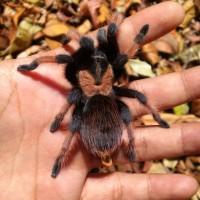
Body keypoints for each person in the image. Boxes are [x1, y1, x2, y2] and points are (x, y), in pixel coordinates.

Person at [0, 1, 199, 199]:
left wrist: (59, 117)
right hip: (105, 103)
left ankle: (64, 158)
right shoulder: (109, 70)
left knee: (76, 123)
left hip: (95, 107)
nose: (96, 58)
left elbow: (71, 61)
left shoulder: (76, 87)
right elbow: (124, 56)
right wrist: (136, 38)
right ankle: (128, 145)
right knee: (134, 100)